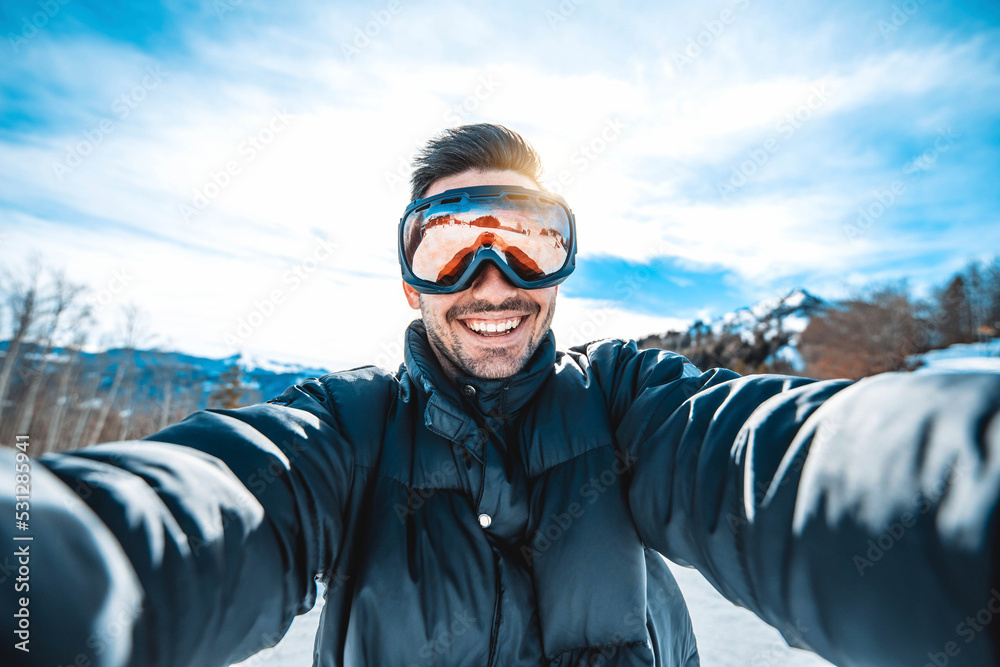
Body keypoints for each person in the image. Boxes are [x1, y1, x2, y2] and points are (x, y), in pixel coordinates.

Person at [2, 123, 999, 667]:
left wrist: (959, 494)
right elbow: (218, 500)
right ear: (409, 279)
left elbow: (768, 466)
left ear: (558, 271)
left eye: (524, 242)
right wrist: (55, 558)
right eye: (447, 246)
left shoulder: (624, 402)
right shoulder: (345, 429)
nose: (489, 280)